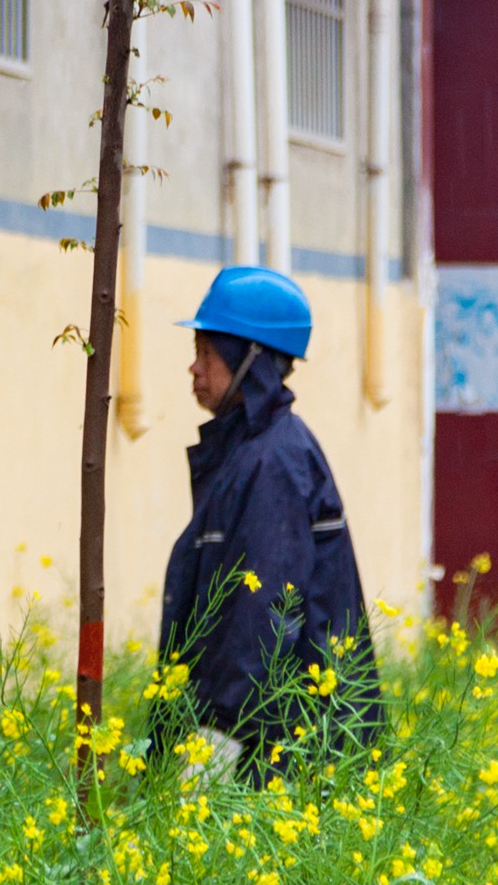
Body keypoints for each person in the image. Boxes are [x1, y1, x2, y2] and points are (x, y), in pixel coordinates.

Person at [154, 266, 383, 782]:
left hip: (280, 753)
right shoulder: (252, 453)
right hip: (268, 744)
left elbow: (260, 615)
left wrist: (216, 744)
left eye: (206, 353)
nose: (193, 369)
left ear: (248, 361)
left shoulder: (272, 462)